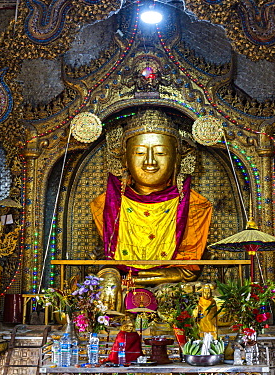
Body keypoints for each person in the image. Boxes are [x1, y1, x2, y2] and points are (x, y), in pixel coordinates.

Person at [90, 110, 213, 287]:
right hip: (120, 287)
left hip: (172, 291)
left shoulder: (195, 205)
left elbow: (188, 269)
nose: (150, 162)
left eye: (160, 153)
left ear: (177, 158)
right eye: (139, 153)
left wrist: (137, 280)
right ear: (124, 158)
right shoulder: (105, 204)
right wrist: (110, 276)